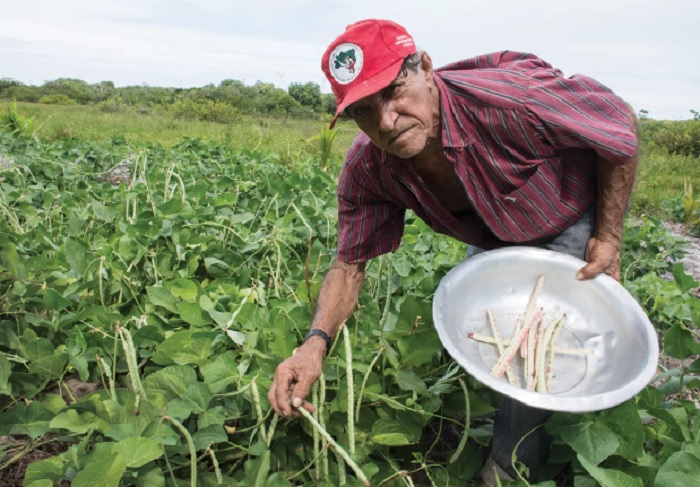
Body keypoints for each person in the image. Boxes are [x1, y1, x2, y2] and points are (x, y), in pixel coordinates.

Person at [268, 18, 639, 486]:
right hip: (493, 232)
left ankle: (507, 470)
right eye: (363, 110)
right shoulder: (369, 166)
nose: (385, 121)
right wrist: (313, 344)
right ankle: (508, 420)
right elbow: (349, 265)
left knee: (538, 358)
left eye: (393, 91)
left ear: (424, 66)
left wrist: (608, 237)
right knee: (484, 334)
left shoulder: (511, 101)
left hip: (566, 212)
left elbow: (617, 120)